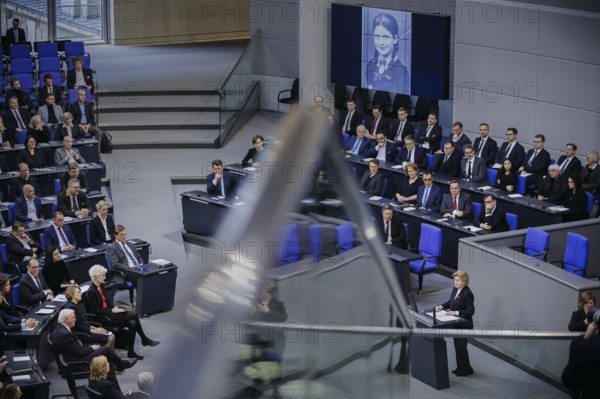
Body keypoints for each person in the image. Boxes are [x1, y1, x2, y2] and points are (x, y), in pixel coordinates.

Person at [86, 265, 159, 360]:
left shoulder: (101, 286)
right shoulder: (90, 292)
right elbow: (96, 311)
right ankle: (144, 339)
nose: (105, 277)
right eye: (102, 276)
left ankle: (131, 352)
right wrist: (111, 310)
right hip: (103, 318)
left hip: (110, 313)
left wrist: (114, 308)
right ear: (95, 277)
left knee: (132, 323)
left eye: (104, 275)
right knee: (133, 314)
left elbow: (108, 303)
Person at [53, 311, 136, 373]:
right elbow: (80, 352)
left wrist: (90, 347)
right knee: (105, 350)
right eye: (73, 317)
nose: (75, 319)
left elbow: (76, 347)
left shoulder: (61, 328)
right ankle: (121, 365)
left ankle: (116, 365)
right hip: (78, 363)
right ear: (66, 320)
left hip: (76, 356)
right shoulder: (65, 334)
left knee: (103, 350)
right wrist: (92, 347)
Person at [435, 270, 475, 377]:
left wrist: (456, 312)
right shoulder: (455, 289)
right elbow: (450, 302)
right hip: (456, 324)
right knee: (457, 347)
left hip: (464, 325)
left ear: (464, 281)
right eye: (455, 280)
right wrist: (442, 306)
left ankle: (467, 370)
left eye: (458, 280)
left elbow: (471, 311)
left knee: (461, 348)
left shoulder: (467, 294)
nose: (455, 282)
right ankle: (460, 368)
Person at [364, 13, 410, 94]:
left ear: (395, 39)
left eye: (385, 37)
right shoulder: (370, 66)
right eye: (377, 36)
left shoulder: (402, 72)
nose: (381, 43)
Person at [562, 315, 600, 398]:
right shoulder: (577, 313)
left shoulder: (583, 347)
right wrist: (584, 322)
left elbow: (569, 379)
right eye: (587, 302)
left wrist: (585, 338)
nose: (590, 304)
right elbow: (571, 327)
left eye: (591, 302)